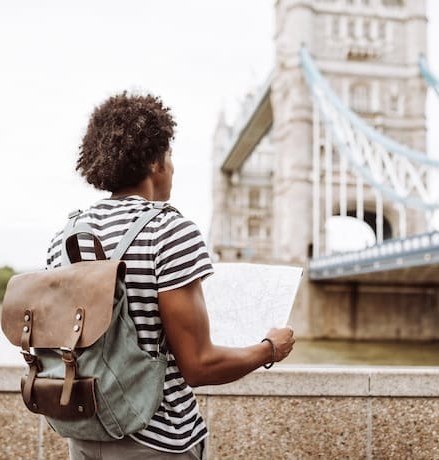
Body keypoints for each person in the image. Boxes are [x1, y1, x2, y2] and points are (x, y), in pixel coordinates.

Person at [45, 91, 295, 459]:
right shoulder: (169, 230)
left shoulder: (65, 237)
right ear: (154, 163)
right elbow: (198, 365)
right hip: (156, 441)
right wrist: (269, 349)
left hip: (83, 435)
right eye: (169, 155)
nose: (173, 167)